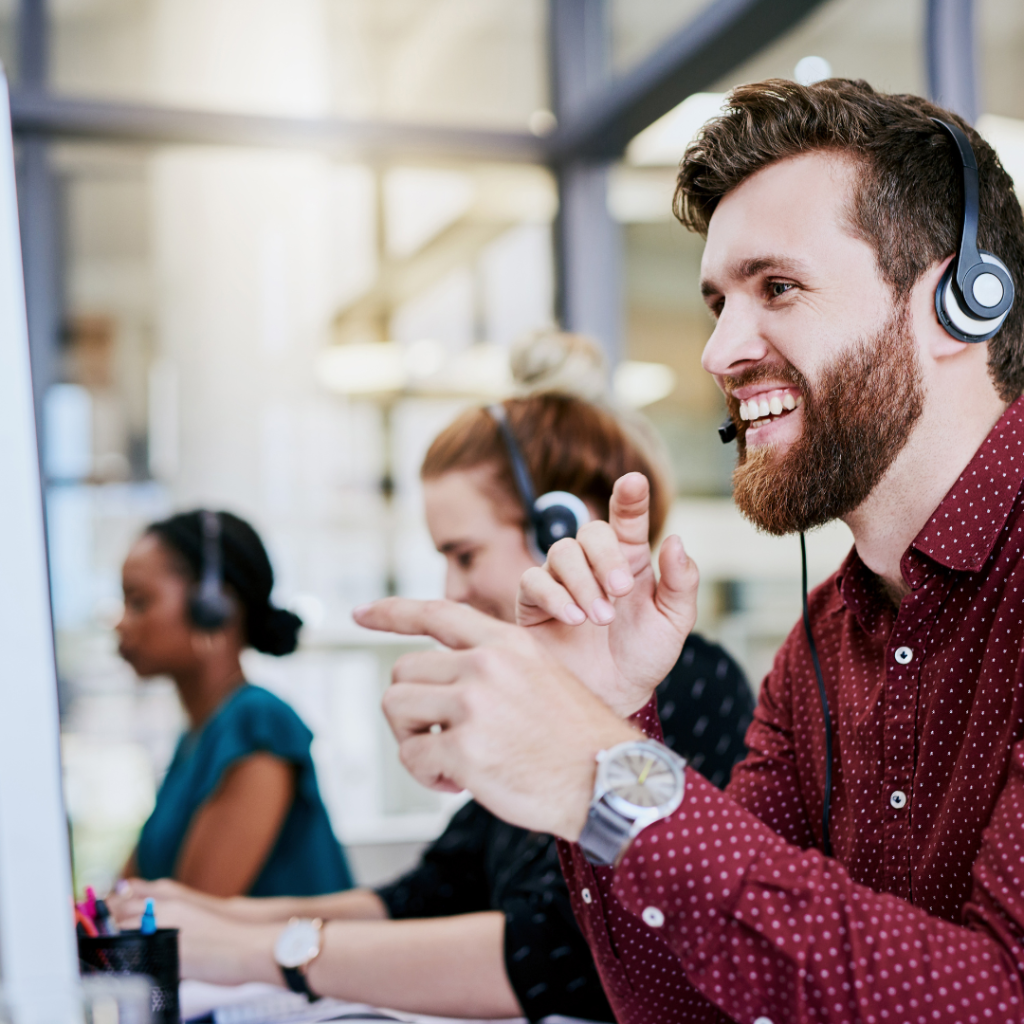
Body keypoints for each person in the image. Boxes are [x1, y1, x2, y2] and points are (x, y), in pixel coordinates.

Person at [354, 78, 1024, 1024]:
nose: (718, 350)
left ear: (961, 300)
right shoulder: (825, 643)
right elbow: (688, 1007)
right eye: (718, 301)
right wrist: (616, 717)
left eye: (777, 287)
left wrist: (604, 772)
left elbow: (1000, 1000)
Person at [112, 345, 755, 1021]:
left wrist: (263, 949)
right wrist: (217, 918)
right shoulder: (542, 701)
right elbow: (431, 892)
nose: (453, 588)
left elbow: (553, 957)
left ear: (559, 530)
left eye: (464, 553)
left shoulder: (687, 684)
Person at [117, 509, 352, 898]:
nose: (122, 623)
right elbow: (126, 895)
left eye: (139, 602)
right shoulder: (197, 737)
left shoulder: (256, 723)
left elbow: (191, 917)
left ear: (213, 606)